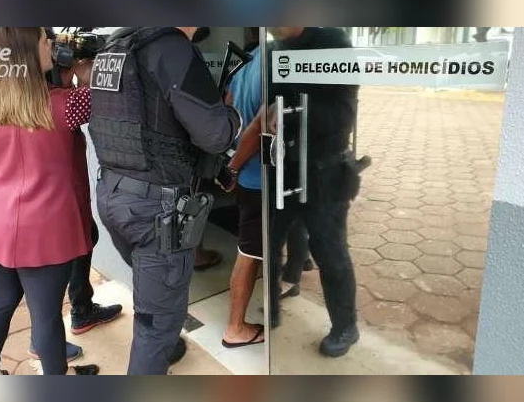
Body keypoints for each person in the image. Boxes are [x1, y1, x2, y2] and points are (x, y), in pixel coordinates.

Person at [0, 27, 120, 375]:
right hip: (47, 225)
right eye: (46, 41)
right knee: (45, 316)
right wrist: (86, 71)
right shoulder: (67, 104)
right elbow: (109, 92)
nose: (51, 46)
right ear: (30, 51)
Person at [91, 27, 241, 375]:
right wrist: (231, 115)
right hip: (153, 211)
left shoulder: (116, 45)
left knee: (154, 298)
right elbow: (215, 135)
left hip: (113, 195)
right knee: (156, 325)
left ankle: (167, 346)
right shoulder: (171, 48)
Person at [235, 27, 361, 356]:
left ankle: (346, 326)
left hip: (324, 170)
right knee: (271, 242)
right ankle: (274, 305)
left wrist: (289, 112)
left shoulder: (332, 42)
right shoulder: (274, 50)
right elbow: (270, 106)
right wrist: (271, 112)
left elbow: (343, 115)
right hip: (284, 168)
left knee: (330, 251)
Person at [218, 28, 266, 348]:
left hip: (248, 175)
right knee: (248, 254)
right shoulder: (274, 61)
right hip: (259, 177)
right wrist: (233, 168)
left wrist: (230, 161)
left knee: (255, 250)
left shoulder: (246, 62)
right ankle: (235, 328)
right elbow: (261, 125)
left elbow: (228, 109)